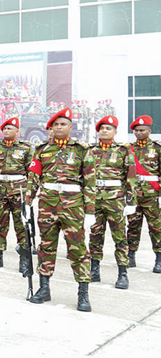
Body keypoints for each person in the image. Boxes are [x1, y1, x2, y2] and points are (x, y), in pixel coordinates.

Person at [27, 108, 93, 311]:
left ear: (70, 127)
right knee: (45, 246)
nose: (58, 127)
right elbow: (34, 177)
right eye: (55, 125)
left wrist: (90, 210)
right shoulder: (42, 148)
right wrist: (27, 201)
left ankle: (83, 294)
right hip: (47, 204)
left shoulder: (81, 149)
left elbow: (90, 181)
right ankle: (44, 288)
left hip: (72, 205)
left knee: (78, 249)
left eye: (63, 124)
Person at [83, 116, 134, 289]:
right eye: (102, 128)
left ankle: (123, 273)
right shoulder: (89, 150)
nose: (104, 131)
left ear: (115, 132)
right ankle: (94, 269)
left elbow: (131, 176)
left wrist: (130, 201)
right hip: (94, 198)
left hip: (115, 199)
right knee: (95, 235)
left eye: (108, 128)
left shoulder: (123, 150)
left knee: (119, 237)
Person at [0, 118, 34, 273]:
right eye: (5, 128)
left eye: (10, 128)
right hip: (0, 188)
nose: (6, 131)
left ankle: (24, 258)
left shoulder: (25, 148)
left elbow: (31, 171)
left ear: (17, 132)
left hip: (18, 189)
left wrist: (29, 192)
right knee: (0, 224)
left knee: (21, 225)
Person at [126, 115, 161, 273]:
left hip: (151, 195)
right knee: (133, 225)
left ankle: (159, 258)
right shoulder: (129, 149)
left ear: (149, 131)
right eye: (136, 130)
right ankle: (131, 256)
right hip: (133, 195)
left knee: (156, 227)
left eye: (142, 130)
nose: (139, 133)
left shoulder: (157, 149)